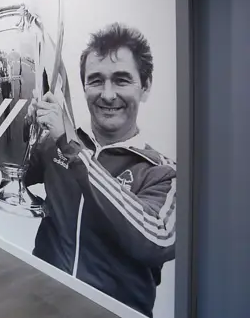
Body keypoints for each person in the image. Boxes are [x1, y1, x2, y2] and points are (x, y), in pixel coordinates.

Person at [24, 23, 176, 318]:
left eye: (121, 80)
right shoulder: (58, 145)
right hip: (43, 305)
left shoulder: (161, 172)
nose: (107, 95)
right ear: (84, 88)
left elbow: (156, 240)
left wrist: (73, 149)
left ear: (144, 88)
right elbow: (19, 176)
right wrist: (4, 131)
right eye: (96, 81)